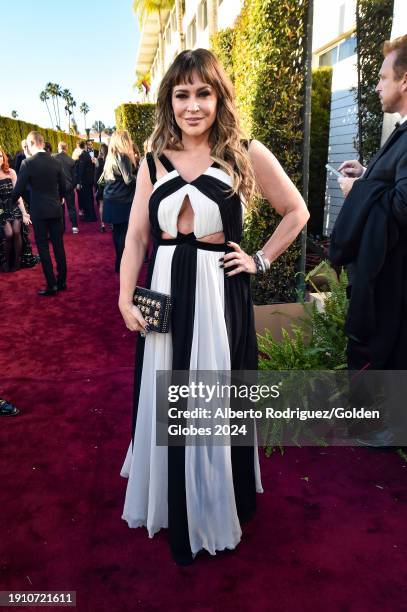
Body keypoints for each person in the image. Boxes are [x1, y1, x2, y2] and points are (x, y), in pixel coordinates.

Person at [118, 49, 309, 565]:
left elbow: (297, 210)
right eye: (183, 95)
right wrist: (122, 294)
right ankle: (172, 500)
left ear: (220, 96)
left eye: (203, 93)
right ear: (170, 102)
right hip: (164, 291)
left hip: (217, 294)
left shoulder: (244, 152)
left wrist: (261, 260)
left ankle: (210, 501)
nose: (193, 106)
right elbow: (137, 237)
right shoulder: (154, 161)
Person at [10, 131, 67, 296]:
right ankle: (62, 282)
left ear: (31, 143)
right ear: (42, 142)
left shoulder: (27, 164)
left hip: (39, 212)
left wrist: (10, 203)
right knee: (58, 246)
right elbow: (64, 187)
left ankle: (52, 285)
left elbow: (18, 190)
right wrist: (60, 198)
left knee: (43, 248)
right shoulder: (56, 162)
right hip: (56, 210)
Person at [102, 131, 138, 272]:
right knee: (123, 233)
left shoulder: (110, 157)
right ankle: (122, 263)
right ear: (124, 140)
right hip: (122, 200)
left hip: (111, 199)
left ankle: (119, 262)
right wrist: (140, 175)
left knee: (117, 233)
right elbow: (128, 179)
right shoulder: (122, 156)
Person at [0, 147, 31, 271]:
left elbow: (18, 195)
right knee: (9, 234)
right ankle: (6, 260)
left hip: (13, 207)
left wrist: (24, 213)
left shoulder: (11, 172)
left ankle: (17, 261)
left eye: (0, 156)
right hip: (1, 210)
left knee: (17, 231)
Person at [54, 141, 79, 234]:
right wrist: (72, 186)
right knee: (71, 207)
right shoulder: (71, 160)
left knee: (60, 208)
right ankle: (75, 227)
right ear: (66, 148)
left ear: (58, 148)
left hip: (58, 188)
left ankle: (62, 228)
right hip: (69, 187)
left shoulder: (54, 158)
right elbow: (75, 177)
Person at [75, 141, 97, 221]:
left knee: (87, 198)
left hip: (86, 181)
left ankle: (90, 216)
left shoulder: (83, 155)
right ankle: (91, 216)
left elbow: (81, 170)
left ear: (78, 147)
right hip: (89, 180)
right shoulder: (86, 154)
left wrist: (79, 182)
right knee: (89, 198)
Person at [94, 143, 108, 232]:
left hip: (101, 186)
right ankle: (111, 223)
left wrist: (95, 188)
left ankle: (102, 225)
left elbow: (95, 176)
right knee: (110, 205)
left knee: (101, 205)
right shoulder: (110, 160)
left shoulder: (98, 160)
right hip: (110, 185)